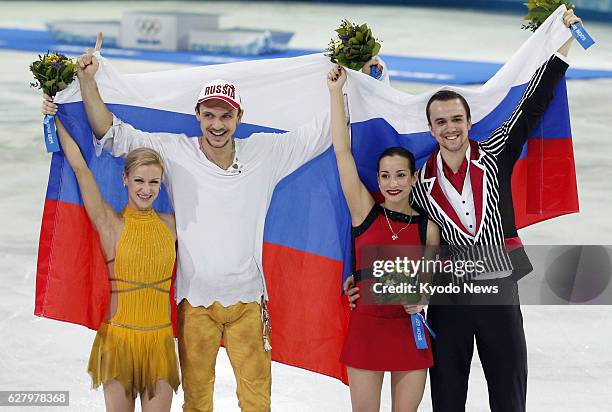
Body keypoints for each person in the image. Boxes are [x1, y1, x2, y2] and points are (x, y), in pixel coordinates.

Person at [42, 33, 332, 412]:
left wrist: (356, 85)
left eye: (226, 115)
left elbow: (322, 134)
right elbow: (110, 133)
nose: (217, 124)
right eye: (209, 114)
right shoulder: (173, 151)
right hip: (193, 303)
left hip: (248, 301)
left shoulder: (267, 152)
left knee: (258, 403)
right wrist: (87, 82)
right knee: (196, 404)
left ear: (239, 118)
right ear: (197, 115)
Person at [345, 9, 583, 412]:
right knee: (448, 399)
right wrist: (364, 281)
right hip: (447, 300)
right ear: (431, 129)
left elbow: (531, 105)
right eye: (441, 122)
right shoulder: (418, 184)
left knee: (509, 398)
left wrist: (561, 37)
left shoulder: (495, 156)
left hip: (498, 294)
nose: (450, 127)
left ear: (469, 121)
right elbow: (392, 230)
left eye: (457, 118)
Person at [328, 64, 440, 412]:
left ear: (413, 178)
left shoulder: (428, 227)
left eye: (400, 175)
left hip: (409, 328)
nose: (392, 183)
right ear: (376, 179)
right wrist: (337, 93)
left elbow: (430, 280)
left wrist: (420, 298)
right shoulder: (364, 211)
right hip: (367, 326)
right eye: (385, 176)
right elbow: (342, 152)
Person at [53, 118, 179, 411]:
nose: (146, 190)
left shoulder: (174, 226)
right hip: (119, 340)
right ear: (125, 179)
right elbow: (80, 168)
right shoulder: (110, 224)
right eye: (139, 180)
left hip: (160, 342)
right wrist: (55, 118)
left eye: (153, 182)